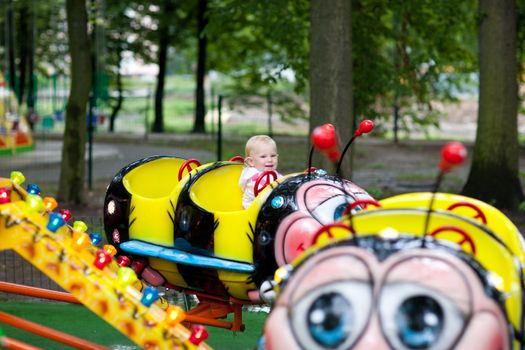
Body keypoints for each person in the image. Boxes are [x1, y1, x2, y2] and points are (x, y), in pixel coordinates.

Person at [239, 135, 282, 209]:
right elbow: (247, 201)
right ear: (251, 161)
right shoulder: (252, 177)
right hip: (252, 209)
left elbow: (281, 180)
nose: (270, 160)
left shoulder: (272, 172)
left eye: (273, 155)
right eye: (263, 157)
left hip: (270, 205)